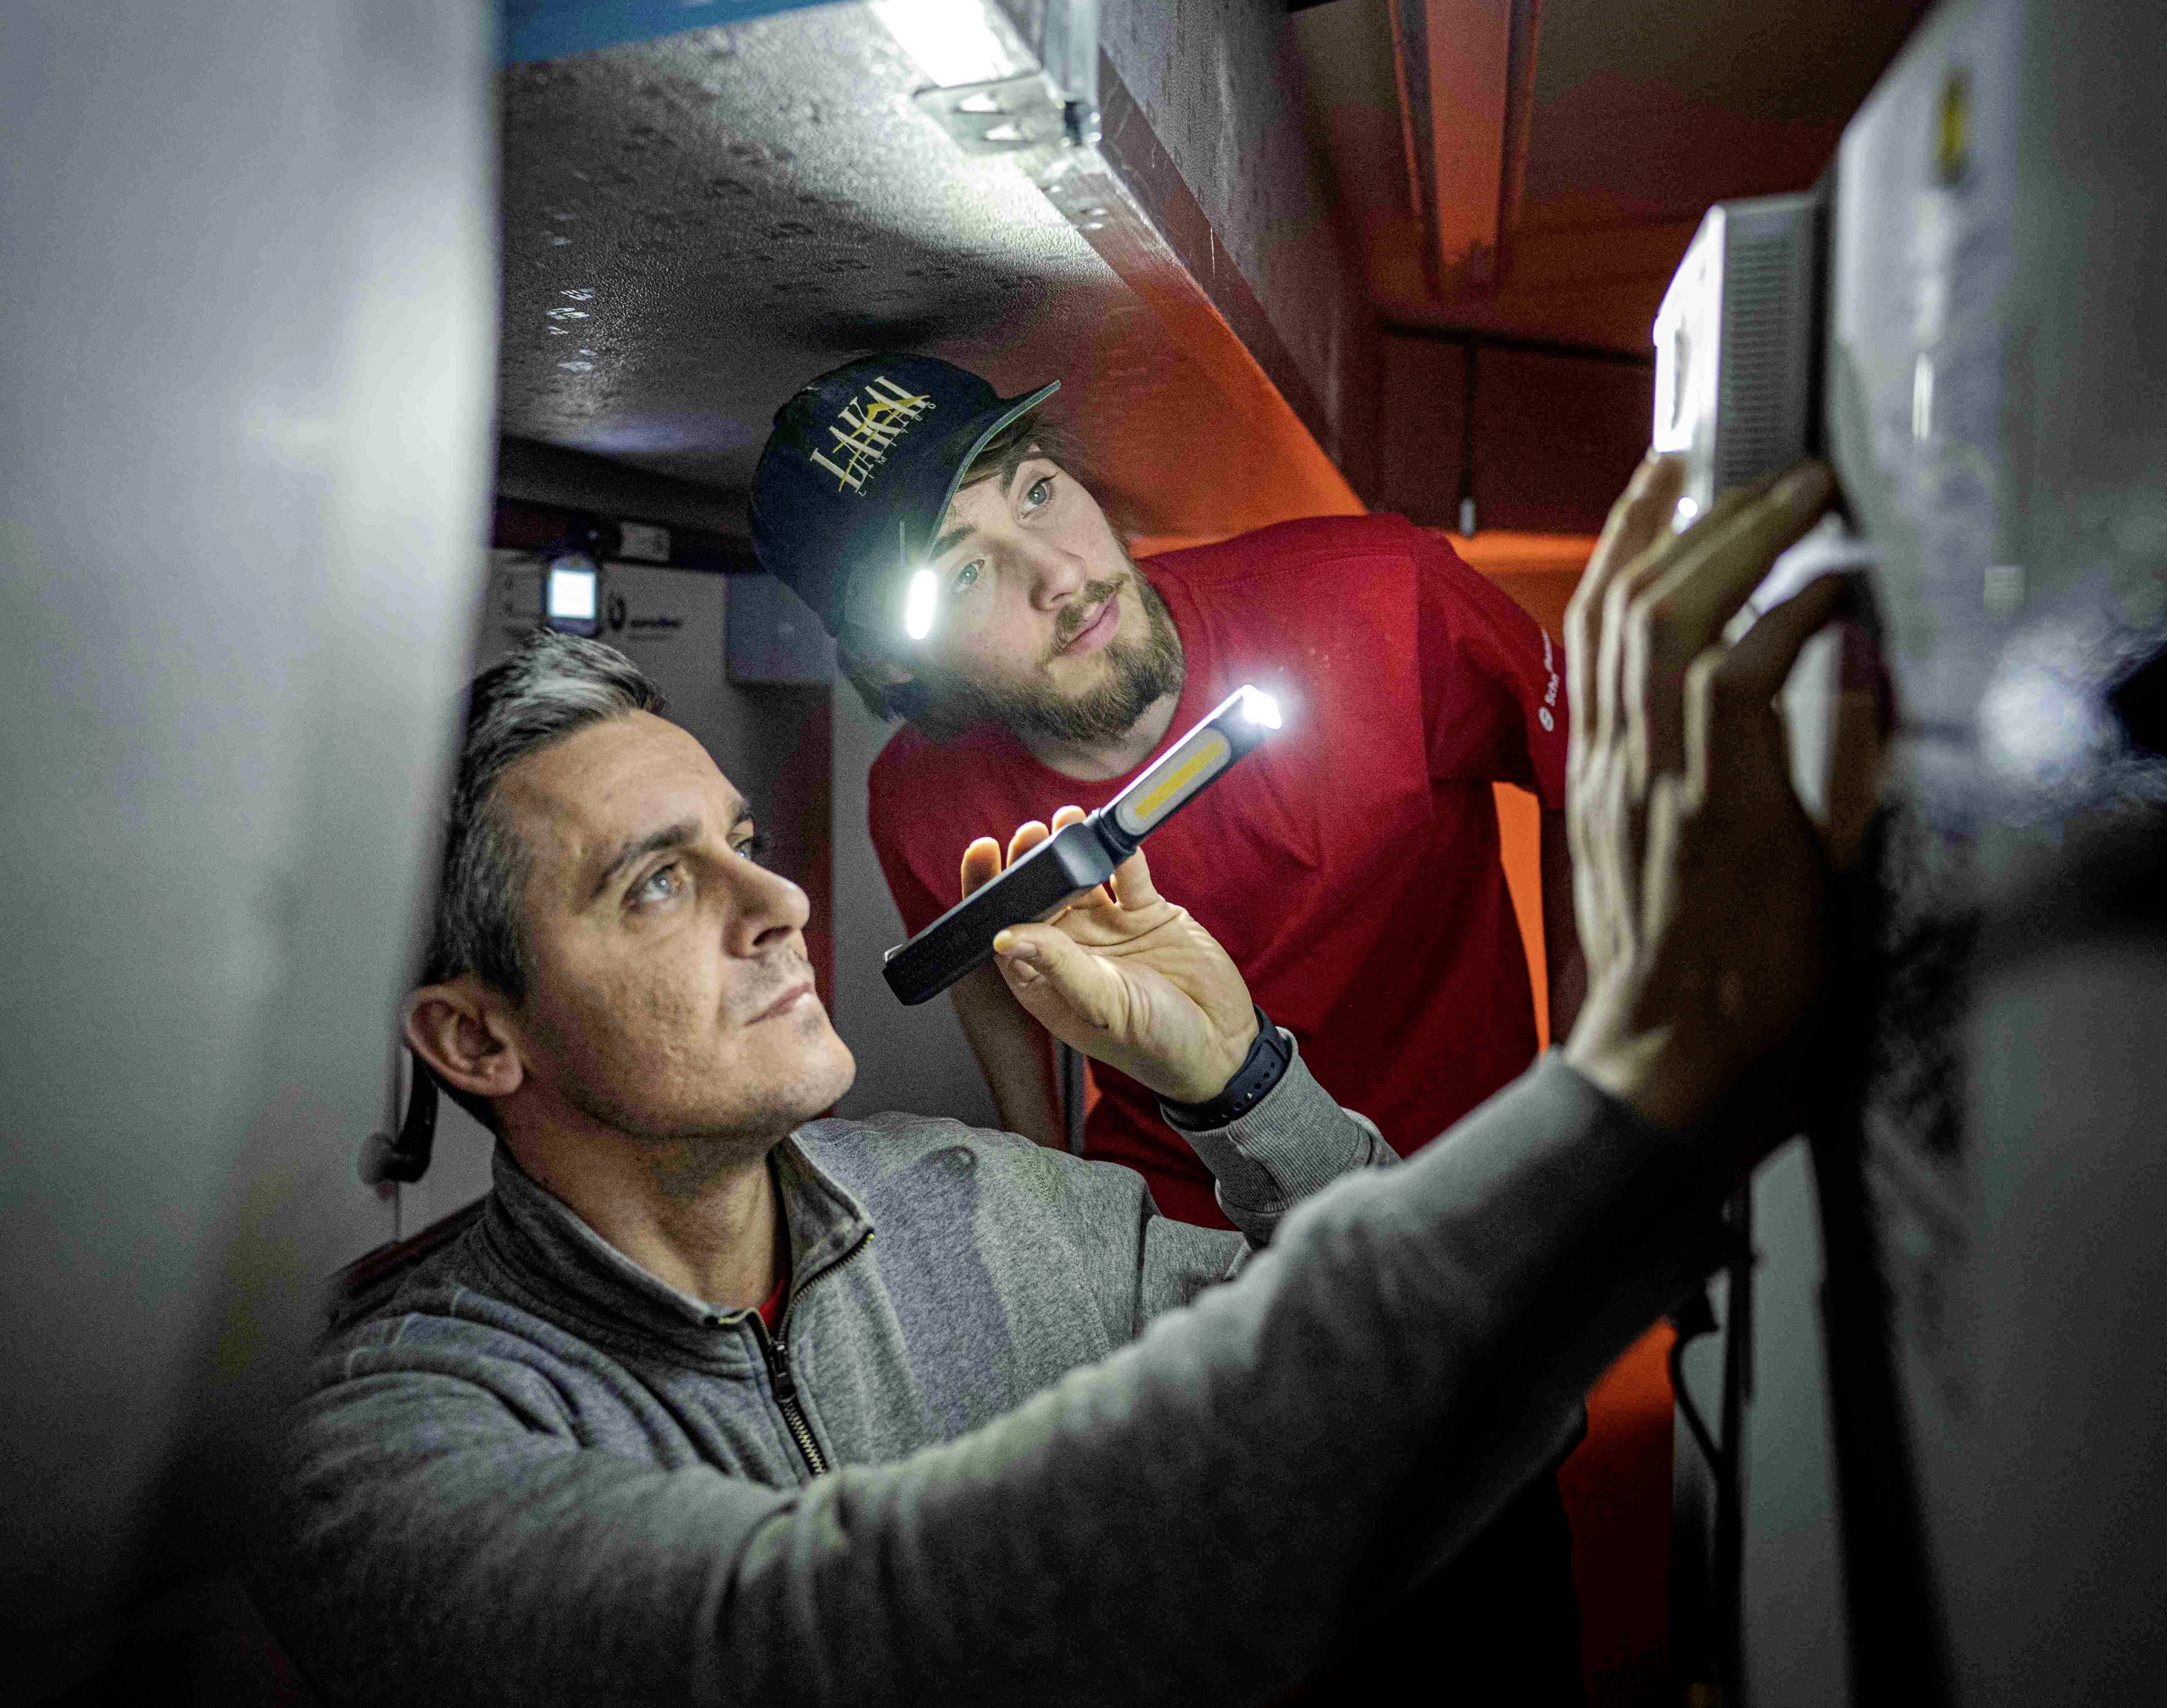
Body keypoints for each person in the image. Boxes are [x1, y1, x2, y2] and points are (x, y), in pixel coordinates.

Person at [262, 456, 1848, 1708]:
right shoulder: (381, 1436)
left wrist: (1243, 1087)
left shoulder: (978, 1208)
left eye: (741, 843)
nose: (785, 906)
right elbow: (816, 1647)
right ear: (477, 1041)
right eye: (657, 885)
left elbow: (1478, 1405)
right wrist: (1642, 1084)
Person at [746, 350, 1592, 1691]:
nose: (1057, 570)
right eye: (963, 571)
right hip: (1194, 1284)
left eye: (1035, 488)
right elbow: (994, 983)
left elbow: (1586, 771)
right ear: (892, 660)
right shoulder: (919, 797)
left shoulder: (1379, 590)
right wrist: (1062, 1217)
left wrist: (1583, 1108)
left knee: (1483, 1621)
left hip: (1448, 1224)